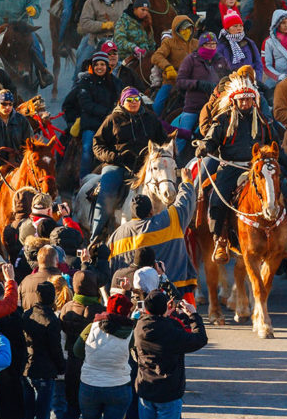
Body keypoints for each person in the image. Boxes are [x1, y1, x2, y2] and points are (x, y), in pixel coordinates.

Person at [133, 288, 207, 419]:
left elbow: (157, 320)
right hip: (169, 391)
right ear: (166, 307)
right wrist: (192, 315)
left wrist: (168, 313)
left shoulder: (140, 327)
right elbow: (198, 339)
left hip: (146, 389)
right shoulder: (172, 330)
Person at [202, 75, 275, 262]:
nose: (245, 102)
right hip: (230, 167)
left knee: (285, 194)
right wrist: (205, 146)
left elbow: (276, 145)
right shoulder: (223, 120)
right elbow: (211, 139)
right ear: (234, 100)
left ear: (254, 99)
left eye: (248, 98)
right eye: (241, 99)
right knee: (218, 200)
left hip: (257, 167)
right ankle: (220, 240)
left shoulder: (263, 120)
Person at [66, 288, 133, 419]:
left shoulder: (92, 327)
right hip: (118, 386)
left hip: (89, 386)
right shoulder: (131, 332)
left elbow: (77, 351)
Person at [89, 87, 169, 243]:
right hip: (118, 164)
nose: (133, 103)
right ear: (122, 101)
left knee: (168, 184)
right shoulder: (112, 119)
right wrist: (113, 156)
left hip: (145, 165)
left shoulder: (150, 119)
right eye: (129, 100)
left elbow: (163, 141)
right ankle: (95, 236)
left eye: (136, 100)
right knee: (107, 193)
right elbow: (97, 144)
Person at [109, 170, 198, 298]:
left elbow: (111, 271)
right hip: (175, 294)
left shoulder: (115, 236)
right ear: (151, 211)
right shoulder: (170, 219)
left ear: (132, 214)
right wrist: (187, 182)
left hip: (133, 300)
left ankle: (94, 237)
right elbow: (185, 203)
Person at [20, 282, 64, 419]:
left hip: (27, 369)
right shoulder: (51, 320)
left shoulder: (27, 315)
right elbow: (55, 349)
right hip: (45, 371)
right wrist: (62, 367)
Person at [173, 33, 229, 153]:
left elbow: (227, 78)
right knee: (183, 134)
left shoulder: (221, 60)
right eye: (208, 44)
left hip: (215, 107)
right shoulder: (191, 60)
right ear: (201, 45)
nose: (212, 47)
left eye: (214, 44)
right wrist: (198, 84)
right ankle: (176, 159)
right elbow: (180, 81)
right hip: (193, 106)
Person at [75, 53, 123, 180]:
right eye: (96, 65)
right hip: (91, 124)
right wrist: (108, 112)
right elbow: (86, 104)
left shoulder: (115, 82)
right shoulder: (85, 82)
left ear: (107, 66)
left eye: (102, 64)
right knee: (87, 149)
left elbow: (121, 98)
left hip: (111, 124)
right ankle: (83, 180)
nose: (99, 67)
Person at [75, 0, 131, 73]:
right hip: (98, 40)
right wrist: (103, 25)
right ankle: (77, 85)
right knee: (81, 65)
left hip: (120, 41)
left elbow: (134, 20)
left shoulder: (125, 1)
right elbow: (85, 23)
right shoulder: (92, 1)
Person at [150, 15, 196, 114]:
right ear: (176, 30)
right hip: (172, 82)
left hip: (194, 82)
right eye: (183, 29)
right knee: (157, 105)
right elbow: (156, 56)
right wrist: (168, 67)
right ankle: (155, 124)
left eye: (189, 28)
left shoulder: (196, 43)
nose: (186, 31)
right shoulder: (169, 43)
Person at [216, 10, 264, 79]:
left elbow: (258, 64)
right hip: (231, 84)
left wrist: (256, 79)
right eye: (235, 26)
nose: (239, 28)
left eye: (241, 26)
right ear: (227, 29)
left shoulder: (250, 43)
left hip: (251, 81)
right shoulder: (221, 46)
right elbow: (219, 69)